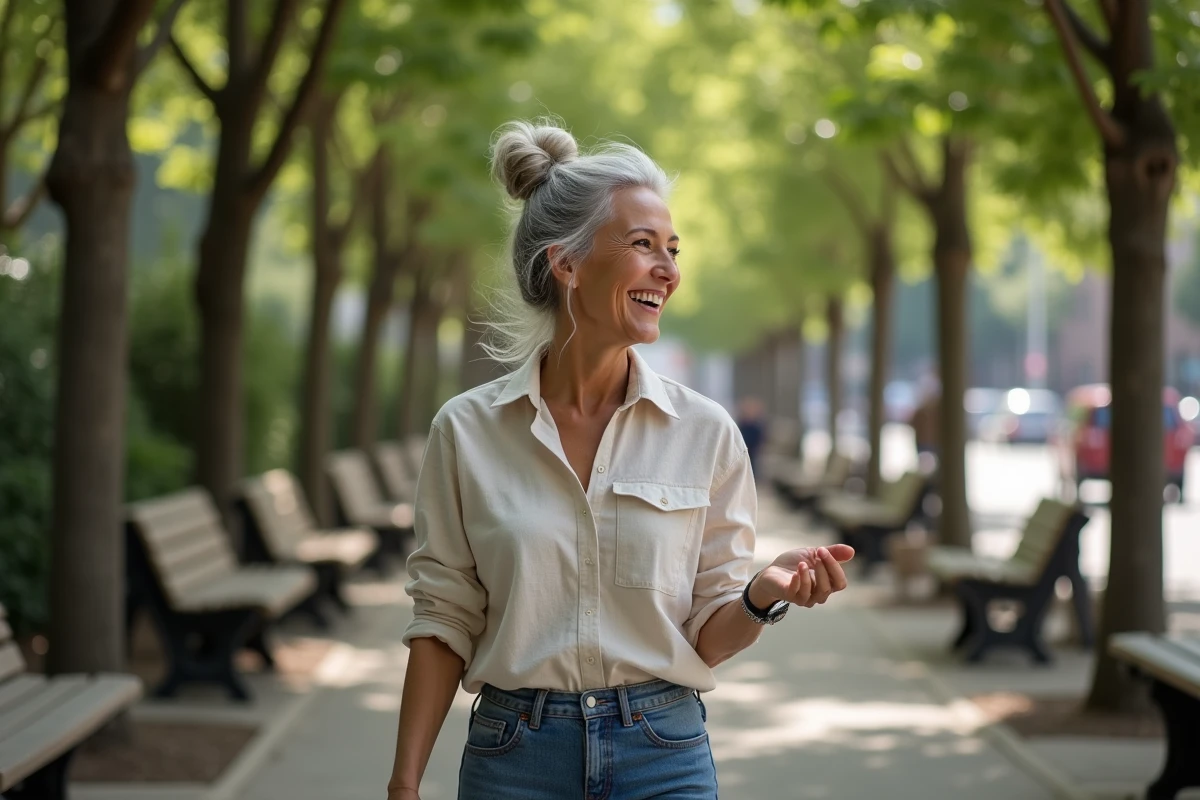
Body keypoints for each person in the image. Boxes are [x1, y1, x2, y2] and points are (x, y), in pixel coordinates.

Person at [385, 120, 855, 800]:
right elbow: (444, 618)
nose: (669, 269)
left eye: (673, 248)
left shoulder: (706, 434)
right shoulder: (467, 432)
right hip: (514, 757)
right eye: (643, 245)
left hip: (663, 752)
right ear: (567, 264)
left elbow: (709, 636)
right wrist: (404, 783)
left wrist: (761, 594)